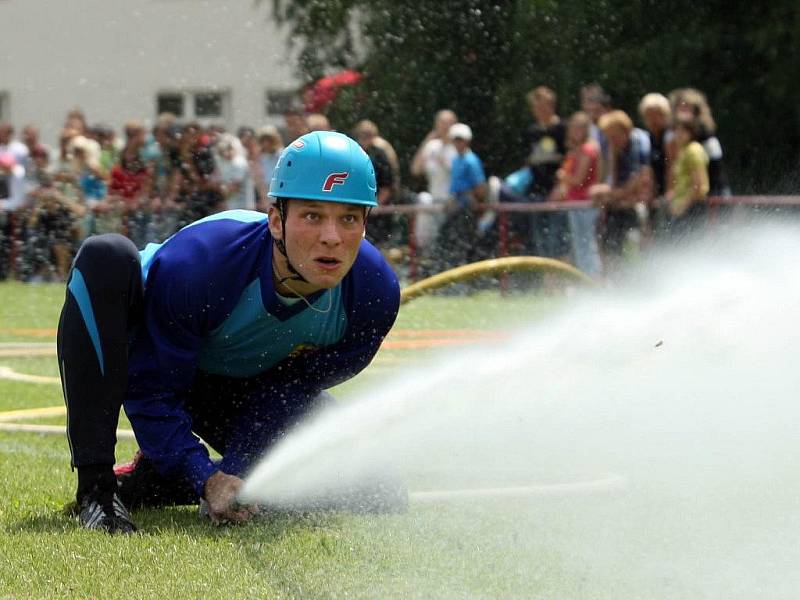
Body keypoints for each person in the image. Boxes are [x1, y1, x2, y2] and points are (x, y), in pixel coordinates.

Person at [56, 130, 401, 533]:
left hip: (244, 385)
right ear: (276, 220)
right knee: (105, 257)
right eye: (312, 215)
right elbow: (152, 387)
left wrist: (232, 472)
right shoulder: (203, 265)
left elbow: (289, 392)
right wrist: (202, 475)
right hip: (154, 360)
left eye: (348, 219)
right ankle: (97, 489)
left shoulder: (374, 294)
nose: (331, 237)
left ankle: (158, 480)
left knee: (374, 489)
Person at [590, 110, 652, 265]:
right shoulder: (615, 147)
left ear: (625, 130)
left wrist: (614, 195)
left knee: (641, 245)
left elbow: (642, 176)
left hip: (639, 204)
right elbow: (614, 176)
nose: (612, 141)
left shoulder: (638, 142)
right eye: (608, 137)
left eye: (614, 136)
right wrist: (609, 194)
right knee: (608, 241)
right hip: (622, 202)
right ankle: (613, 279)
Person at [552, 112, 602, 277]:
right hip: (576, 203)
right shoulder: (578, 150)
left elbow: (580, 180)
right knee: (580, 245)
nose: (574, 131)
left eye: (578, 128)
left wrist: (563, 176)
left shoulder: (588, 149)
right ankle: (585, 277)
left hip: (584, 204)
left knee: (586, 244)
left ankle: (591, 278)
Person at [435, 122, 487, 270]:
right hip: (458, 209)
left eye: (460, 139)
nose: (457, 143)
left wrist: (469, 195)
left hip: (467, 210)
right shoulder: (456, 160)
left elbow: (481, 189)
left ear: (467, 141)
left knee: (465, 244)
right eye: (455, 140)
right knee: (451, 241)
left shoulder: (471, 161)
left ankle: (468, 279)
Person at [663, 115, 709, 238]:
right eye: (676, 130)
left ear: (691, 132)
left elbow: (698, 185)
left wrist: (682, 207)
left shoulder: (693, 150)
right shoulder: (684, 150)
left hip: (692, 208)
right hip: (684, 208)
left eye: (683, 130)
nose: (678, 134)